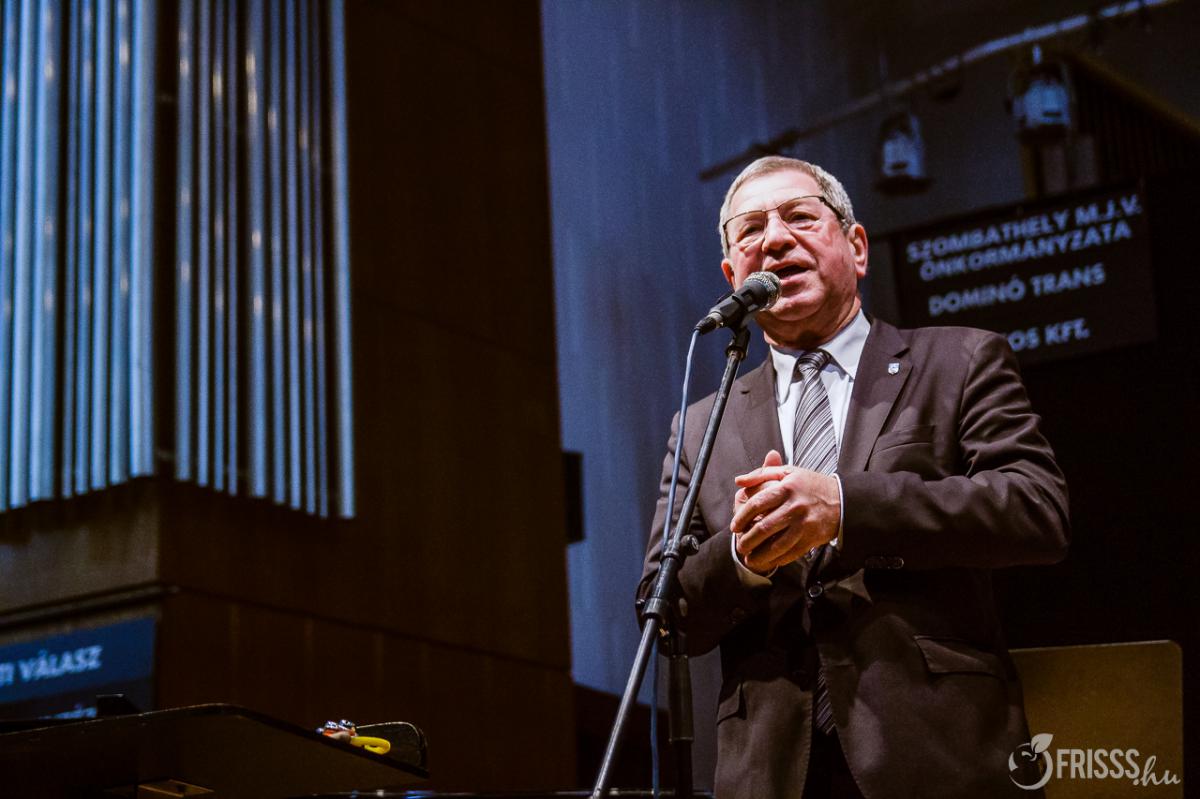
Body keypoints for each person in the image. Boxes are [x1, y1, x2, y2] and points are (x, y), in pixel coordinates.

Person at [638, 156, 1069, 798]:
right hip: (770, 774)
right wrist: (743, 559)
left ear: (857, 247)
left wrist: (846, 507)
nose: (775, 239)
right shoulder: (701, 425)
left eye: (800, 217)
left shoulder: (959, 360)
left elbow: (1036, 510)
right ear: (733, 275)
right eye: (750, 229)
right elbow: (663, 611)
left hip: (935, 754)